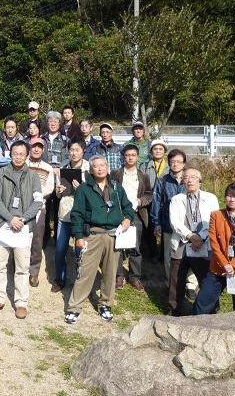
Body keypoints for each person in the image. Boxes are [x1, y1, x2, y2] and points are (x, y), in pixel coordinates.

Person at [64, 156, 135, 324]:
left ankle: (105, 304)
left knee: (110, 274)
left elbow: (128, 207)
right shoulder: (84, 189)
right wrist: (78, 237)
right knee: (85, 273)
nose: (100, 168)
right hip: (92, 235)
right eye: (96, 166)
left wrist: (127, 219)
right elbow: (77, 214)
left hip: (113, 236)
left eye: (102, 165)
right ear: (91, 170)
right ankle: (74, 308)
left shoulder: (116, 187)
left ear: (107, 167)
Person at [0, 141, 42, 319]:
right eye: (15, 154)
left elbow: (38, 201)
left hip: (24, 227)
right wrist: (10, 218)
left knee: (22, 267)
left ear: (27, 156)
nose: (18, 157)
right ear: (10, 154)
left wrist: (23, 219)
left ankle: (21, 302)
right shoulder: (0, 173)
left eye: (21, 154)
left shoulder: (33, 176)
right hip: (3, 224)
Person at [193, 183, 235, 314]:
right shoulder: (216, 215)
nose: (232, 200)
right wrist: (226, 265)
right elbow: (214, 243)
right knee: (203, 301)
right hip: (219, 266)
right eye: (229, 196)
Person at [166, 168, 219, 316]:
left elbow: (213, 221)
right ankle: (174, 310)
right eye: (186, 177)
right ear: (183, 181)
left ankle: (210, 309)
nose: (189, 180)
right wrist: (190, 236)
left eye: (193, 177)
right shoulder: (176, 199)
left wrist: (200, 237)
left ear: (200, 181)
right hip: (182, 242)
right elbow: (174, 221)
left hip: (204, 243)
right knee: (176, 279)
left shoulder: (211, 198)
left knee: (206, 279)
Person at [111, 143, 152, 293]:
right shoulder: (116, 173)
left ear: (137, 157)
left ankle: (134, 276)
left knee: (136, 245)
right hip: (118, 213)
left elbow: (149, 194)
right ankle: (118, 276)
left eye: (133, 155)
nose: (130, 158)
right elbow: (110, 191)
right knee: (118, 244)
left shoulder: (143, 176)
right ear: (123, 157)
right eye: (127, 155)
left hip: (136, 213)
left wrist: (140, 201)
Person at [150, 149, 192, 290]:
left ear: (184, 164)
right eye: (172, 162)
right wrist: (157, 223)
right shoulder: (162, 181)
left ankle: (190, 285)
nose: (175, 164)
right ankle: (172, 284)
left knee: (191, 255)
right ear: (169, 163)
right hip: (168, 225)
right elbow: (157, 203)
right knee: (170, 257)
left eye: (179, 162)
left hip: (188, 225)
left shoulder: (190, 181)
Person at [52, 137, 89, 293]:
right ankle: (60, 279)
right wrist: (59, 191)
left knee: (81, 250)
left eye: (77, 150)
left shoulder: (89, 169)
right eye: (71, 150)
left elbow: (93, 193)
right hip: (64, 214)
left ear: (83, 151)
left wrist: (81, 189)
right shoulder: (63, 168)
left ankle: (81, 281)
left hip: (81, 216)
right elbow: (57, 195)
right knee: (60, 249)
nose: (74, 153)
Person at [26, 136, 54, 287]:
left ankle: (34, 271)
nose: (36, 149)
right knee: (21, 238)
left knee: (37, 240)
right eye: (33, 146)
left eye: (39, 147)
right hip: (22, 207)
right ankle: (19, 266)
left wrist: (35, 193)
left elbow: (50, 187)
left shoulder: (48, 168)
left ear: (43, 150)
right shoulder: (23, 164)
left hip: (39, 207)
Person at [139, 138, 168, 262]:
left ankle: (164, 254)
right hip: (150, 200)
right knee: (149, 227)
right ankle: (153, 252)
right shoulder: (145, 166)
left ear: (164, 151)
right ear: (151, 151)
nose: (158, 151)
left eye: (160, 149)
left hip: (165, 200)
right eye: (155, 149)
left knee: (166, 227)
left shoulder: (169, 166)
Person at [42, 111, 67, 247]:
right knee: (44, 208)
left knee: (58, 208)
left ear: (59, 123)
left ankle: (58, 237)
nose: (53, 123)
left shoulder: (65, 139)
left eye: (55, 121)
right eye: (50, 121)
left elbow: (69, 156)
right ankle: (44, 237)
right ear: (47, 123)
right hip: (45, 178)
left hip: (59, 178)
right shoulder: (42, 138)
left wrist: (60, 167)